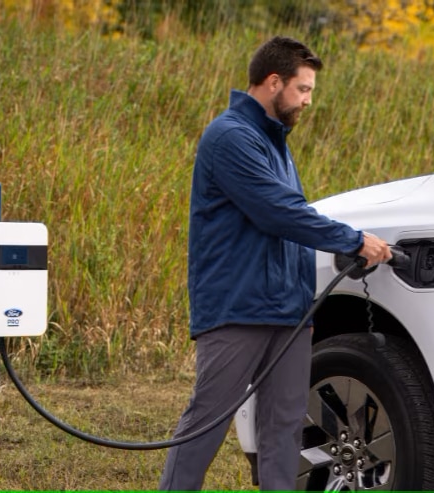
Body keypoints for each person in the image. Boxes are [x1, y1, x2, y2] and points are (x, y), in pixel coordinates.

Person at [158, 36, 392, 491]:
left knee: (283, 430)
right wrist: (353, 239)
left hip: (289, 312)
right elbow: (278, 211)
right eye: (303, 89)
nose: (307, 100)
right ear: (273, 82)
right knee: (207, 422)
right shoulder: (230, 138)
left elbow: (287, 217)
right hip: (237, 310)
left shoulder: (275, 142)